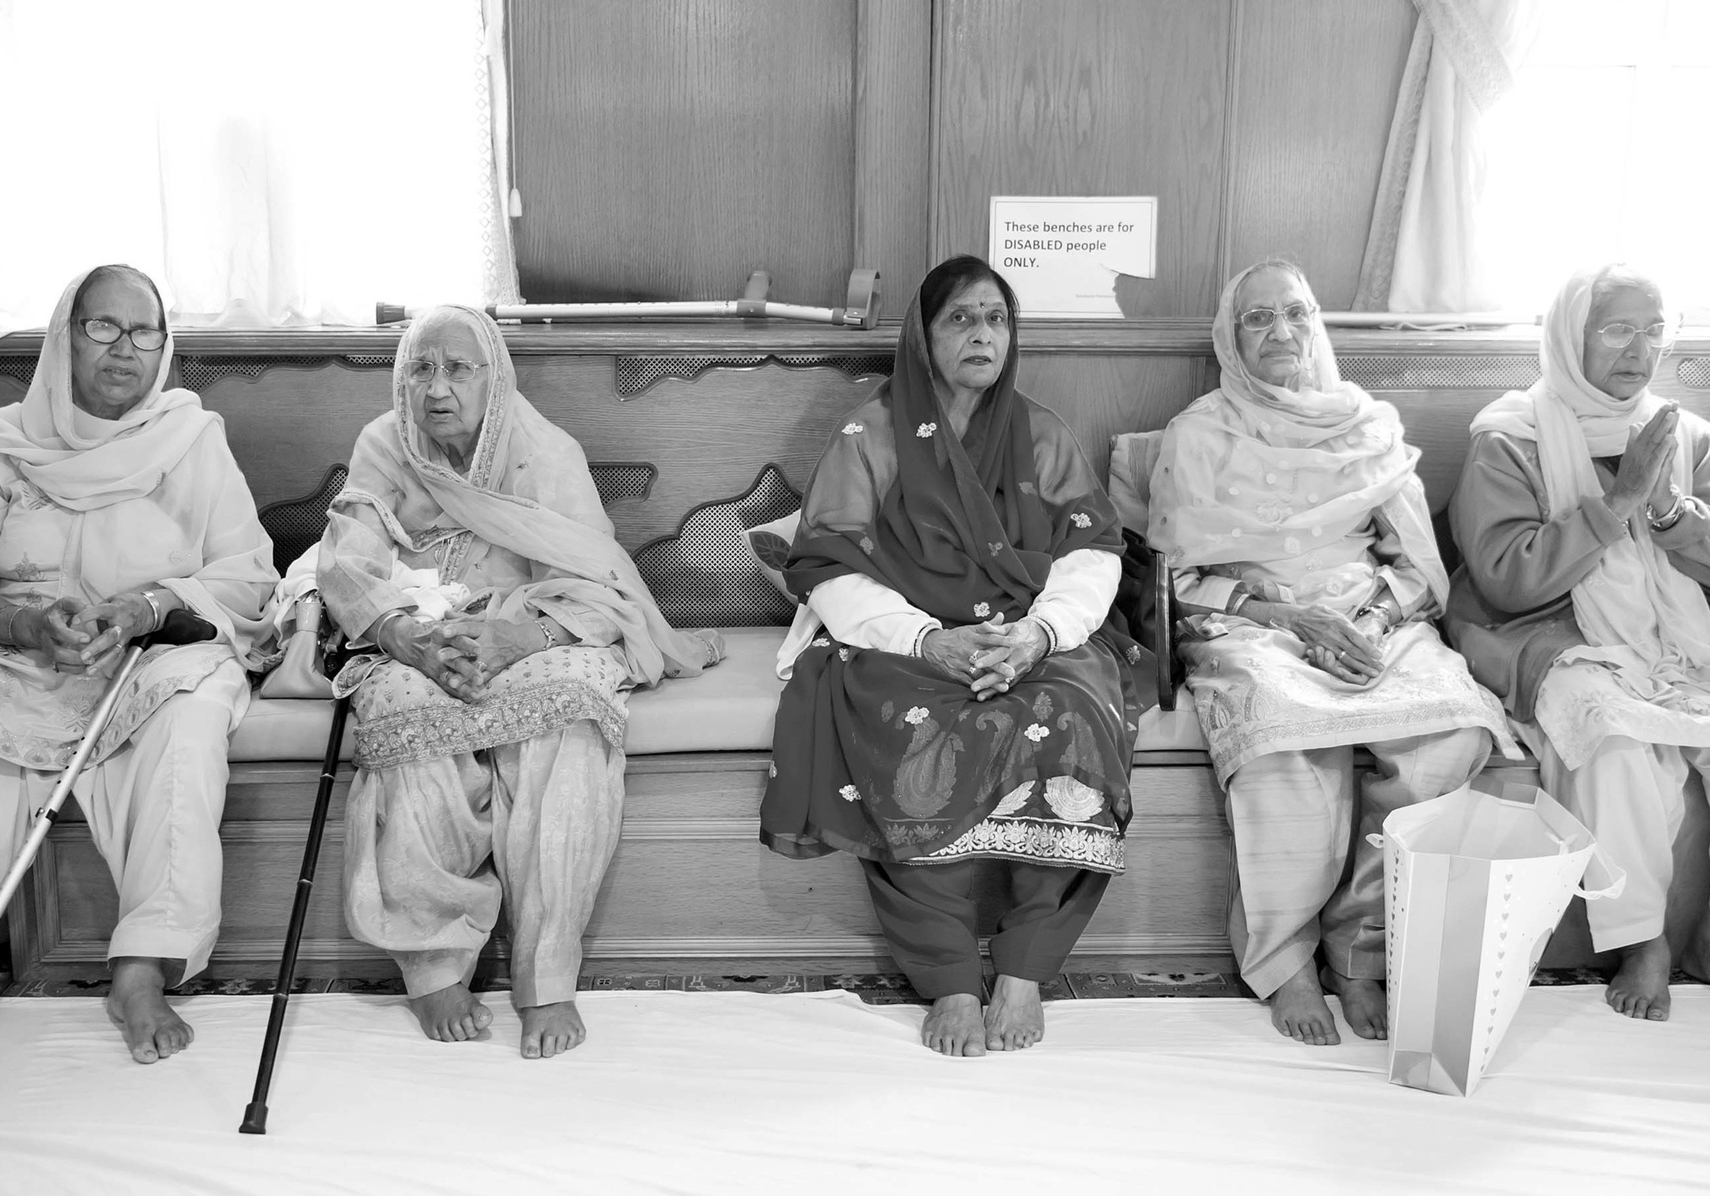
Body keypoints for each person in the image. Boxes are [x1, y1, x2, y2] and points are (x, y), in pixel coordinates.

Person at [0, 264, 276, 1068]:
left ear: (164, 346)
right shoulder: (3, 444)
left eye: (144, 331)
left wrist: (145, 607)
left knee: (192, 717)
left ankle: (142, 970)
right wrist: (25, 624)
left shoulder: (192, 438)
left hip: (146, 655)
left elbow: (248, 579)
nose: (124, 348)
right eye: (103, 327)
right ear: (67, 336)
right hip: (19, 655)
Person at [760, 256, 1148, 1058]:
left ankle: (1026, 968)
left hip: (1031, 635)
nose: (982, 335)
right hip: (903, 638)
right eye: (961, 319)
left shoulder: (1041, 432)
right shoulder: (870, 435)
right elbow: (829, 563)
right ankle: (949, 978)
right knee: (911, 727)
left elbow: (1093, 551)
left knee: (1072, 713)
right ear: (923, 336)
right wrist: (927, 641)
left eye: (995, 319)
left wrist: (1038, 636)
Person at [316, 305, 718, 1059]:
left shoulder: (546, 452)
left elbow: (596, 581)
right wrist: (402, 634)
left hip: (535, 625)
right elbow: (347, 559)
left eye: (457, 369)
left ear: (493, 378)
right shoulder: (384, 443)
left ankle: (547, 974)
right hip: (417, 630)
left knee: (568, 716)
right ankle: (434, 964)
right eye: (420, 369)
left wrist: (520, 636)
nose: (436, 388)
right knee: (404, 715)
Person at [1147, 259, 1509, 1046]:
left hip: (1368, 615)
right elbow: (1174, 579)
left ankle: (1358, 948)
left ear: (1317, 325)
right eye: (1258, 318)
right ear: (1230, 338)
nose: (1281, 331)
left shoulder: (1368, 424)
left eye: (1296, 313)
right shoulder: (1199, 433)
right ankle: (1289, 964)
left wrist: (1370, 623)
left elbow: (1415, 564)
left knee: (1452, 731)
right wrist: (1290, 618)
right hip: (1253, 621)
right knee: (1281, 734)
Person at [1449, 263, 1710, 1022]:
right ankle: (1644, 940)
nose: (1640, 350)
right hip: (1540, 626)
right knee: (1611, 733)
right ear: (1572, 336)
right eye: (1618, 329)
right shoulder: (1511, 437)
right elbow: (1507, 578)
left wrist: (1669, 514)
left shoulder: (1682, 436)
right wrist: (1618, 500)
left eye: (1654, 331)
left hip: (1669, 627)